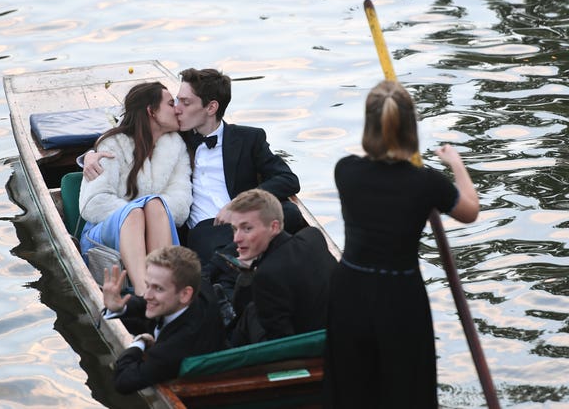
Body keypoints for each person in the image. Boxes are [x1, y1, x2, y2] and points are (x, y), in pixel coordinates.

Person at [323, 80, 480, 409]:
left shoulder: (345, 171)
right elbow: (470, 210)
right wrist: (455, 162)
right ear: (411, 127)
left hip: (350, 290)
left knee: (353, 386)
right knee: (405, 387)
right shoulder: (426, 184)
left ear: (369, 125)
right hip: (399, 296)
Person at [82, 68, 304, 267]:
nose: (177, 109)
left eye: (185, 103)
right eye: (175, 101)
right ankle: (242, 261)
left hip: (246, 220)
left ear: (211, 107)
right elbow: (131, 134)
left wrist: (240, 205)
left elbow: (287, 179)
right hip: (207, 231)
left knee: (292, 214)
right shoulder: (176, 137)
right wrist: (90, 156)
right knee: (209, 242)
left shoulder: (248, 138)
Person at [78, 82, 192, 296]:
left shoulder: (176, 146)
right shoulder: (112, 145)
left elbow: (181, 205)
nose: (177, 108)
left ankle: (163, 289)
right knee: (134, 213)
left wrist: (147, 210)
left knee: (155, 206)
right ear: (152, 111)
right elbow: (93, 204)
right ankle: (144, 295)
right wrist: (137, 212)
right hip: (105, 233)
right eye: (170, 103)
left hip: (156, 223)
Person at [220, 188, 336, 347]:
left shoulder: (266, 275)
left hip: (311, 350)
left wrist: (247, 275)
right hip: (337, 332)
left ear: (273, 227)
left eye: (247, 228)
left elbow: (280, 346)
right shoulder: (313, 236)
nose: (237, 239)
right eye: (235, 229)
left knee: (250, 312)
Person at [103, 245, 226, 394]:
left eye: (158, 288)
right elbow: (148, 301)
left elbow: (122, 381)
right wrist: (121, 307)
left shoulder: (173, 347)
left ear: (185, 294)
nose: (147, 295)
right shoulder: (198, 286)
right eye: (147, 285)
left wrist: (138, 344)